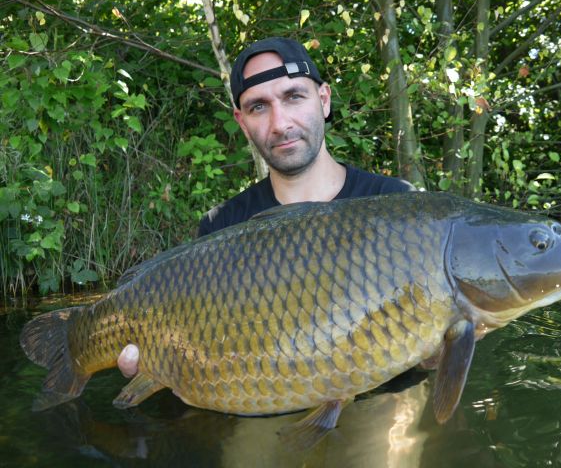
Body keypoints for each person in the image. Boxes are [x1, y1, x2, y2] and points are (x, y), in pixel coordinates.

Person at [117, 37, 414, 378]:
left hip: (380, 403)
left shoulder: (398, 205)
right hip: (268, 405)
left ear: (324, 99)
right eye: (259, 107)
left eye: (293, 96)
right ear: (241, 122)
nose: (280, 123)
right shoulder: (222, 226)